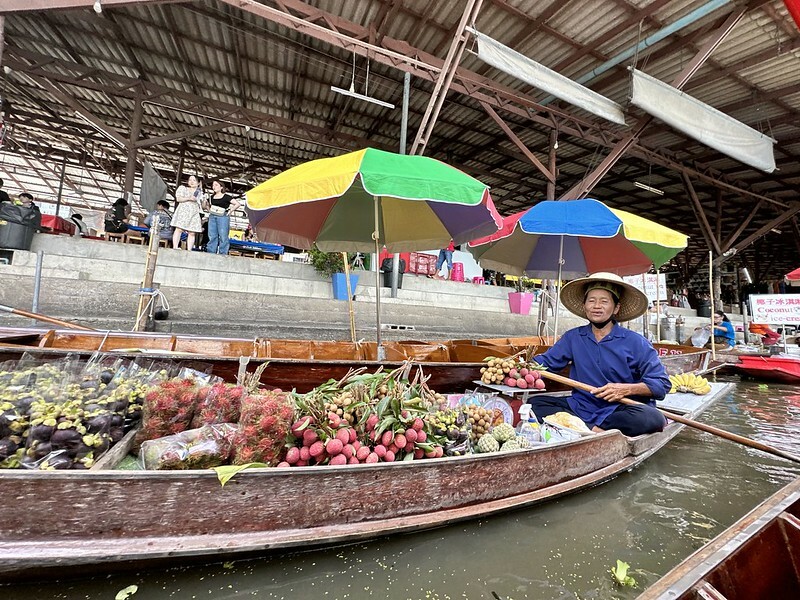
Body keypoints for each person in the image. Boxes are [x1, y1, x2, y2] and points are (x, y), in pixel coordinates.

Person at [528, 272, 670, 437]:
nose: (597, 306)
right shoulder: (573, 337)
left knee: (652, 418)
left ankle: (581, 429)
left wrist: (624, 390)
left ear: (616, 308)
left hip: (619, 408)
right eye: (591, 300)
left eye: (604, 301)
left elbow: (661, 384)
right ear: (584, 306)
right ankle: (594, 431)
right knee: (534, 404)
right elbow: (545, 364)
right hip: (582, 406)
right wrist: (523, 368)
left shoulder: (636, 342)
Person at [205, 180, 240, 255]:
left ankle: (223, 253)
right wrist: (208, 210)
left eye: (216, 185)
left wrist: (230, 211)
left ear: (221, 187)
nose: (214, 186)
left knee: (223, 235)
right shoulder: (211, 197)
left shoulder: (226, 196)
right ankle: (211, 252)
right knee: (212, 235)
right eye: (213, 185)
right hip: (212, 216)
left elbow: (237, 204)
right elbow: (205, 205)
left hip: (223, 216)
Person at [171, 175, 203, 250]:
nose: (191, 182)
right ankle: (175, 247)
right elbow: (178, 199)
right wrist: (189, 198)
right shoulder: (183, 188)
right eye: (190, 180)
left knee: (192, 232)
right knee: (179, 229)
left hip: (194, 211)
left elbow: (200, 203)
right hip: (184, 210)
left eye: (194, 180)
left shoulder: (199, 192)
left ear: (198, 183)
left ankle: (189, 249)